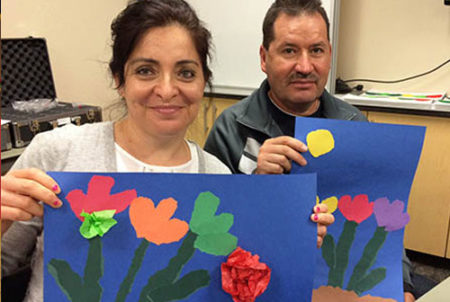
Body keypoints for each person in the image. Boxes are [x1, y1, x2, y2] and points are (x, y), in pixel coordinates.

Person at [0, 1, 330, 301]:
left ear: (203, 82)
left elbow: (231, 283)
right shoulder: (57, 153)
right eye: (146, 70)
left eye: (186, 72)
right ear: (120, 78)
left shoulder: (216, 177)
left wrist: (291, 239)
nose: (168, 90)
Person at [204, 0, 416, 301]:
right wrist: (257, 187)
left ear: (329, 55)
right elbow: (208, 232)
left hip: (335, 286)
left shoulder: (354, 124)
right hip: (261, 286)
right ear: (264, 58)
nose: (305, 67)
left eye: (316, 50)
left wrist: (403, 287)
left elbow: (386, 220)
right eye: (289, 50)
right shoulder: (231, 127)